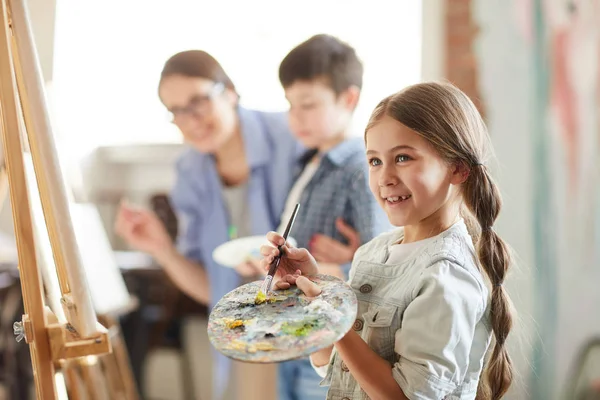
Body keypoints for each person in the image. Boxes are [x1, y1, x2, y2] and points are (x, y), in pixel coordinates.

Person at [259, 82, 515, 400]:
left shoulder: (447, 274)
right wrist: (313, 287)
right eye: (375, 161)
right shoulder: (372, 253)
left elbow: (408, 396)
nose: (385, 177)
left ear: (458, 169)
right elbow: (334, 368)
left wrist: (334, 315)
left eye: (404, 158)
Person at [113, 50, 302, 400]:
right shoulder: (189, 172)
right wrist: (161, 249)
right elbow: (213, 289)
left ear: (229, 92)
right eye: (176, 111)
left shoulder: (292, 136)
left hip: (307, 319)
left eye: (198, 101)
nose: (190, 119)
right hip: (249, 331)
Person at [236, 34, 390, 400]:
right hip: (294, 330)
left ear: (348, 99)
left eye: (308, 104)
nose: (295, 117)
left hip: (331, 339)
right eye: (290, 105)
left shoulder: (360, 170)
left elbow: (380, 275)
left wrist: (344, 264)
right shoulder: (307, 162)